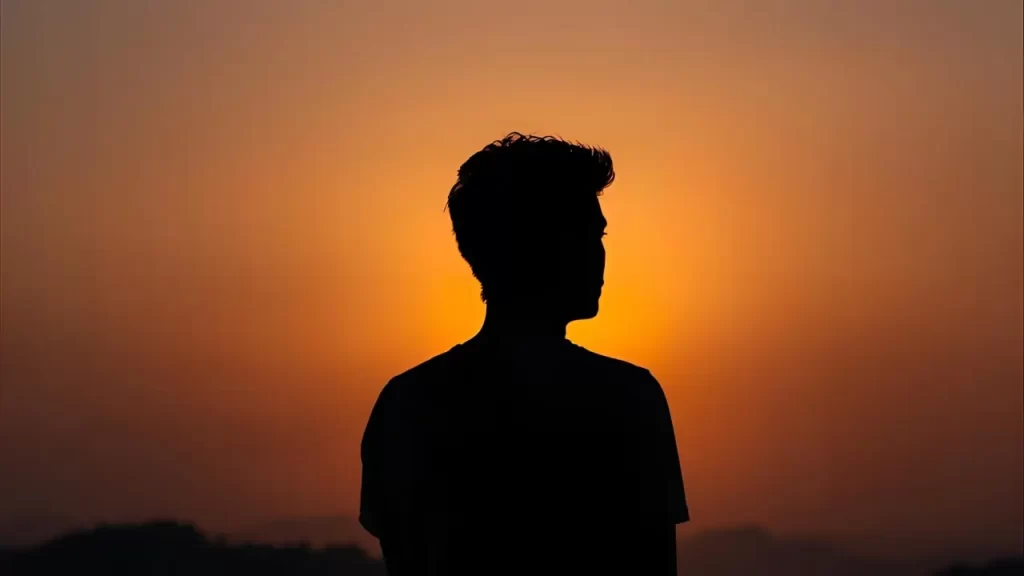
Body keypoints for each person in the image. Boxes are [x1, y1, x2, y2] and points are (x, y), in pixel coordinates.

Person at [360, 133, 688, 575]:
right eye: (585, 235)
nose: (600, 254)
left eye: (600, 235)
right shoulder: (626, 401)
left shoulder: (407, 404)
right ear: (534, 244)